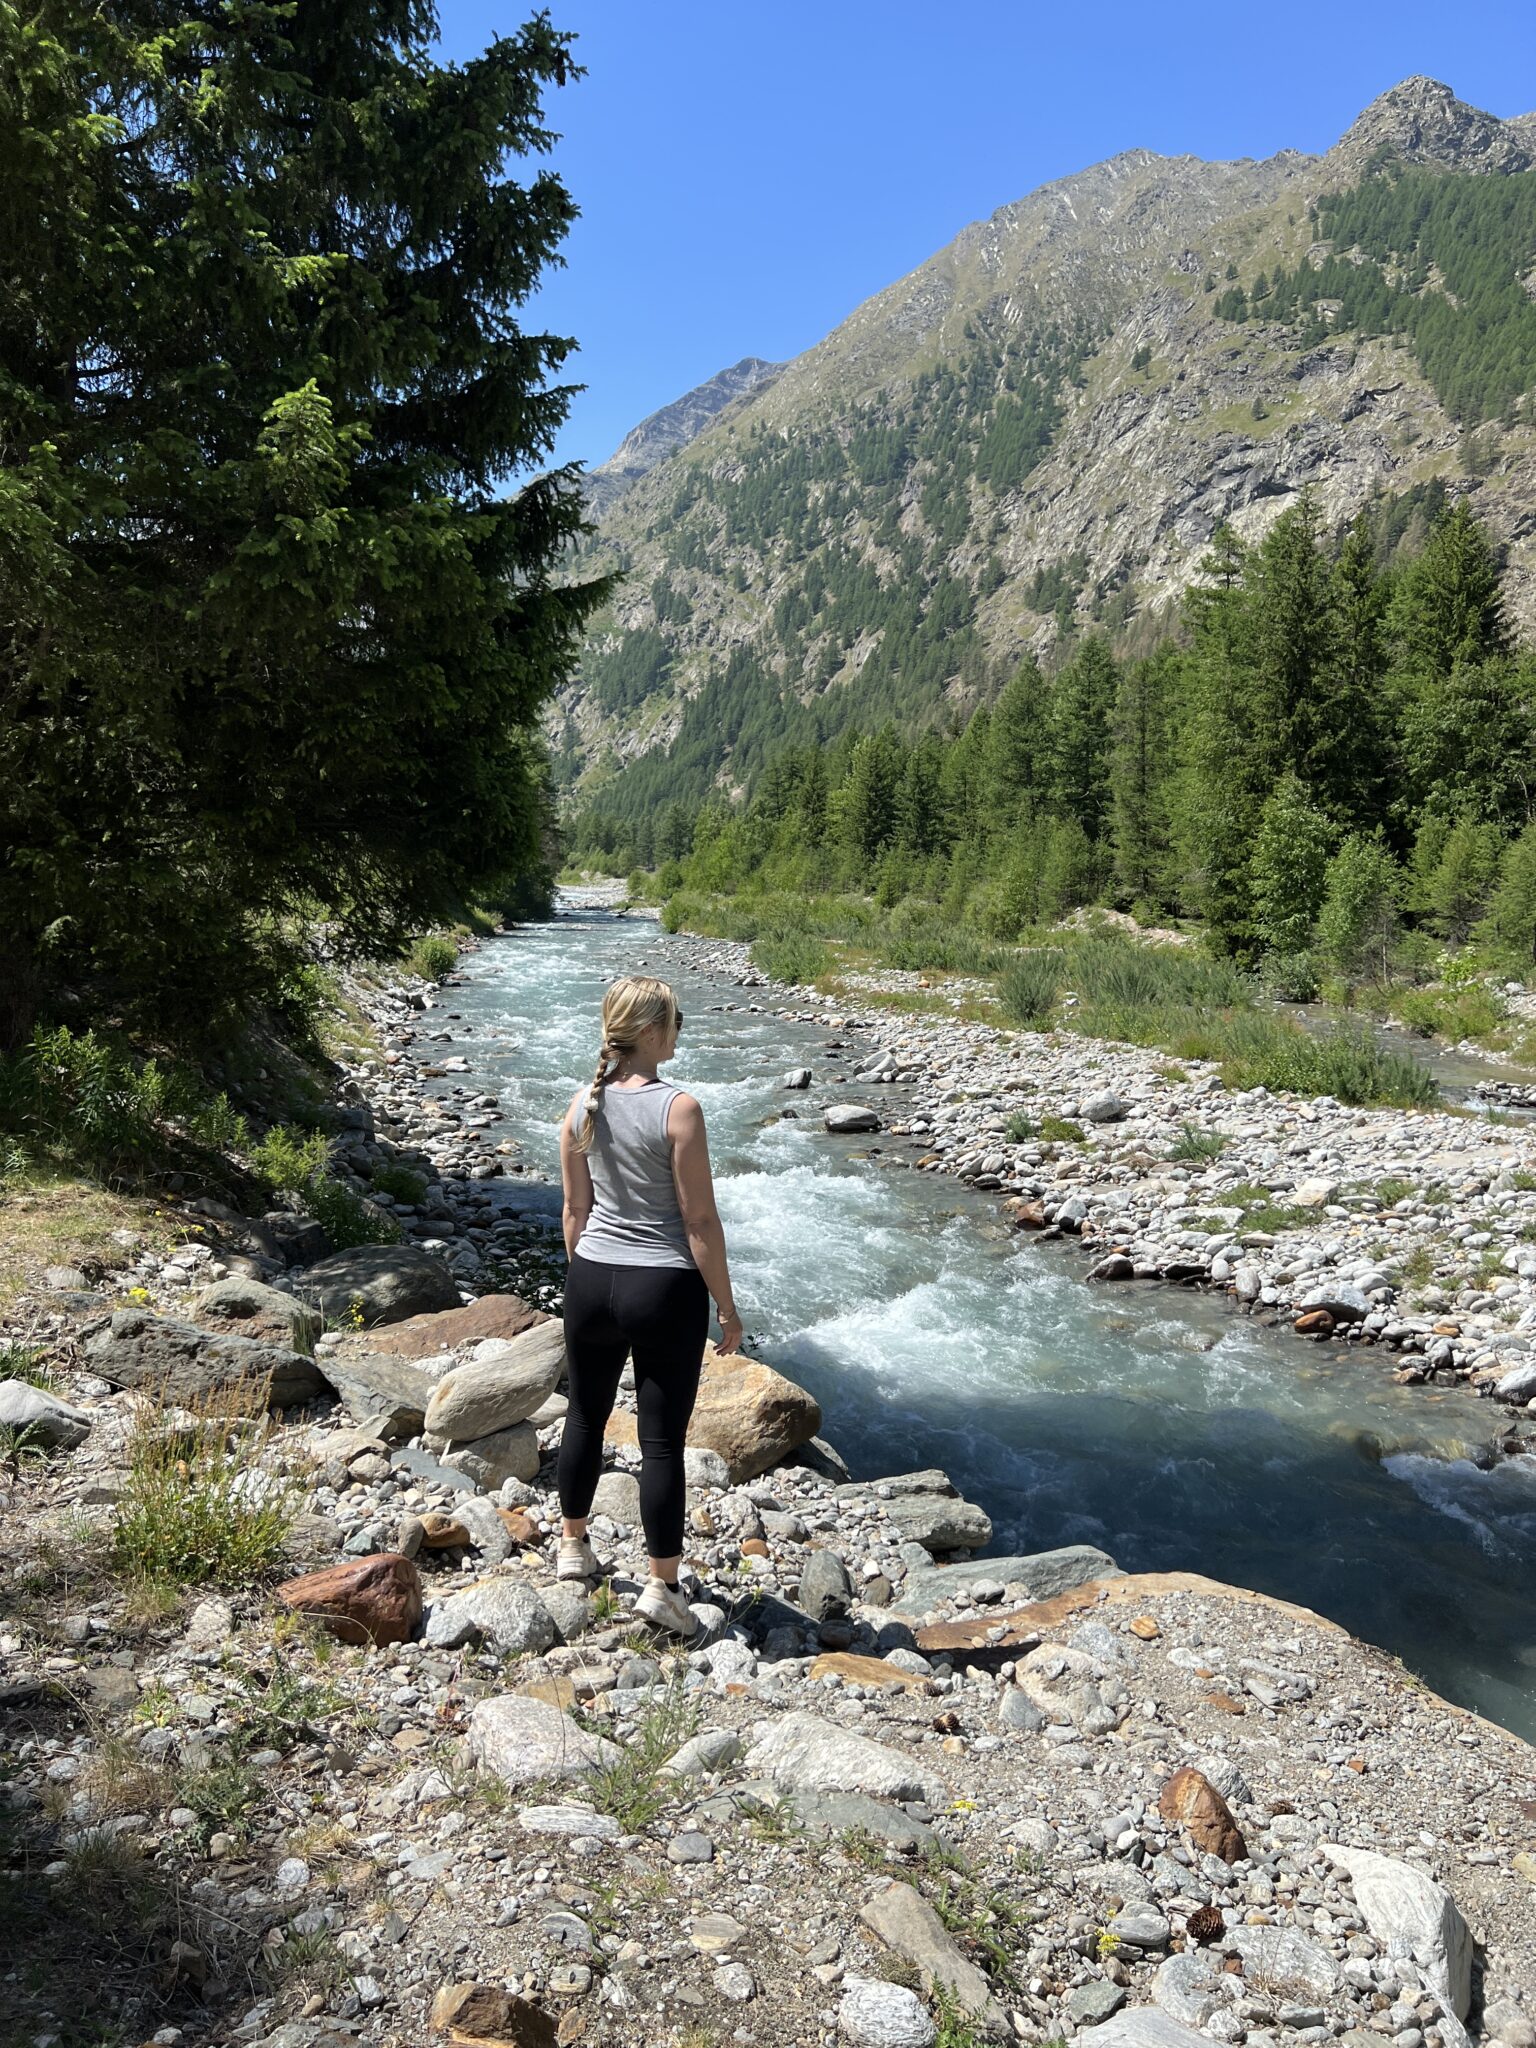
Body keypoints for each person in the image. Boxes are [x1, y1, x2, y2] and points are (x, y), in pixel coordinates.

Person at [555, 973, 741, 1639]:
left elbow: (575, 1212)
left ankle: (572, 1548)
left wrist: (588, 1283)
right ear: (653, 1033)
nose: (679, 1031)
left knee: (584, 1416)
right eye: (676, 1021)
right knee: (660, 1443)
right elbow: (699, 1224)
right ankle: (661, 1587)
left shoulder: (582, 1104)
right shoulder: (680, 1108)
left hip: (593, 1279)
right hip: (662, 1286)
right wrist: (727, 1305)